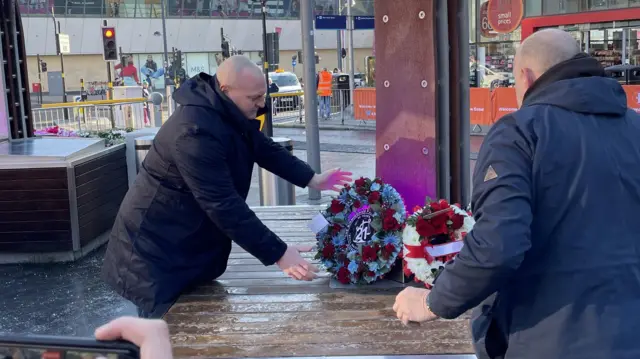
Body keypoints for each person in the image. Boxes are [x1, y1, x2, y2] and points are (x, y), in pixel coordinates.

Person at [393, 29, 640, 359]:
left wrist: (432, 301)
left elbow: (498, 245)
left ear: (525, 76)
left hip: (548, 337)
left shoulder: (520, 132)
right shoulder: (634, 127)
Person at [102, 55, 352, 320]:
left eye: (262, 96)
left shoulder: (224, 110)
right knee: (166, 335)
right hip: (154, 258)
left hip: (186, 247)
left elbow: (263, 147)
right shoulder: (193, 132)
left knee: (198, 331)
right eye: (254, 98)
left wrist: (313, 179)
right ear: (225, 90)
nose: (261, 104)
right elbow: (223, 205)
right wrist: (279, 253)